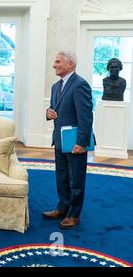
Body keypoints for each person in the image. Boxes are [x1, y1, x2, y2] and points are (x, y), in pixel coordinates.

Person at [44, 51, 93, 229]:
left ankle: (74, 214)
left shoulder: (80, 85)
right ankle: (62, 208)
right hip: (59, 139)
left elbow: (86, 117)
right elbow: (54, 108)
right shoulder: (55, 86)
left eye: (57, 62)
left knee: (76, 179)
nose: (54, 65)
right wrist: (48, 113)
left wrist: (82, 142)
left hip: (75, 141)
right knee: (62, 177)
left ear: (70, 64)